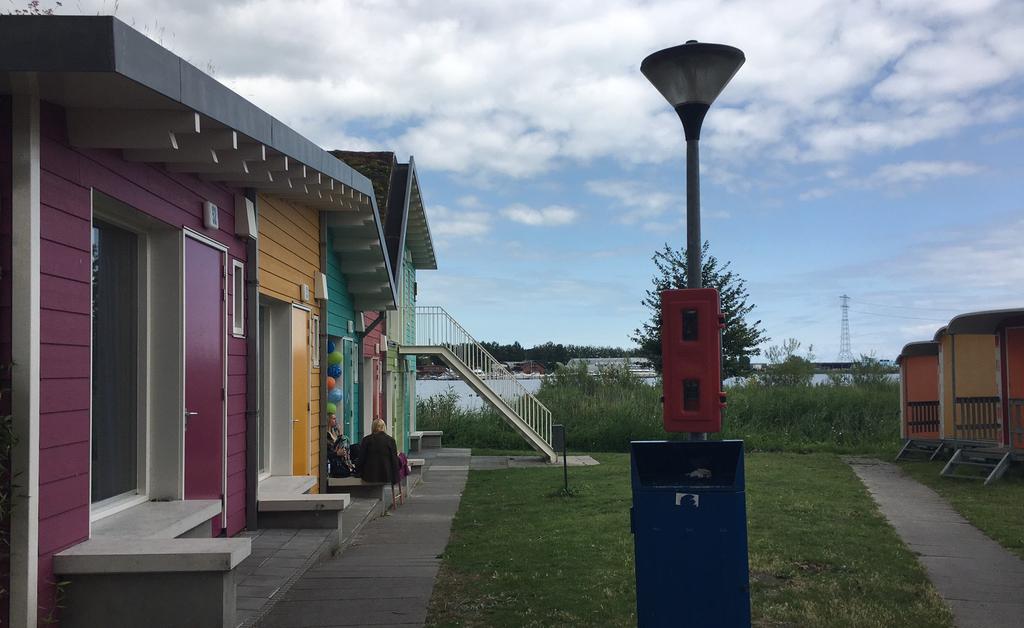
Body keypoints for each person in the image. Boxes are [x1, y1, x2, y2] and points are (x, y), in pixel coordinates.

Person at [357, 419, 400, 485]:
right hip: (386, 475)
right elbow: (394, 460)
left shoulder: (366, 440)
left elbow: (361, 459)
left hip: (369, 476)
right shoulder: (390, 440)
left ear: (373, 427)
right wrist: (395, 478)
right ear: (384, 427)